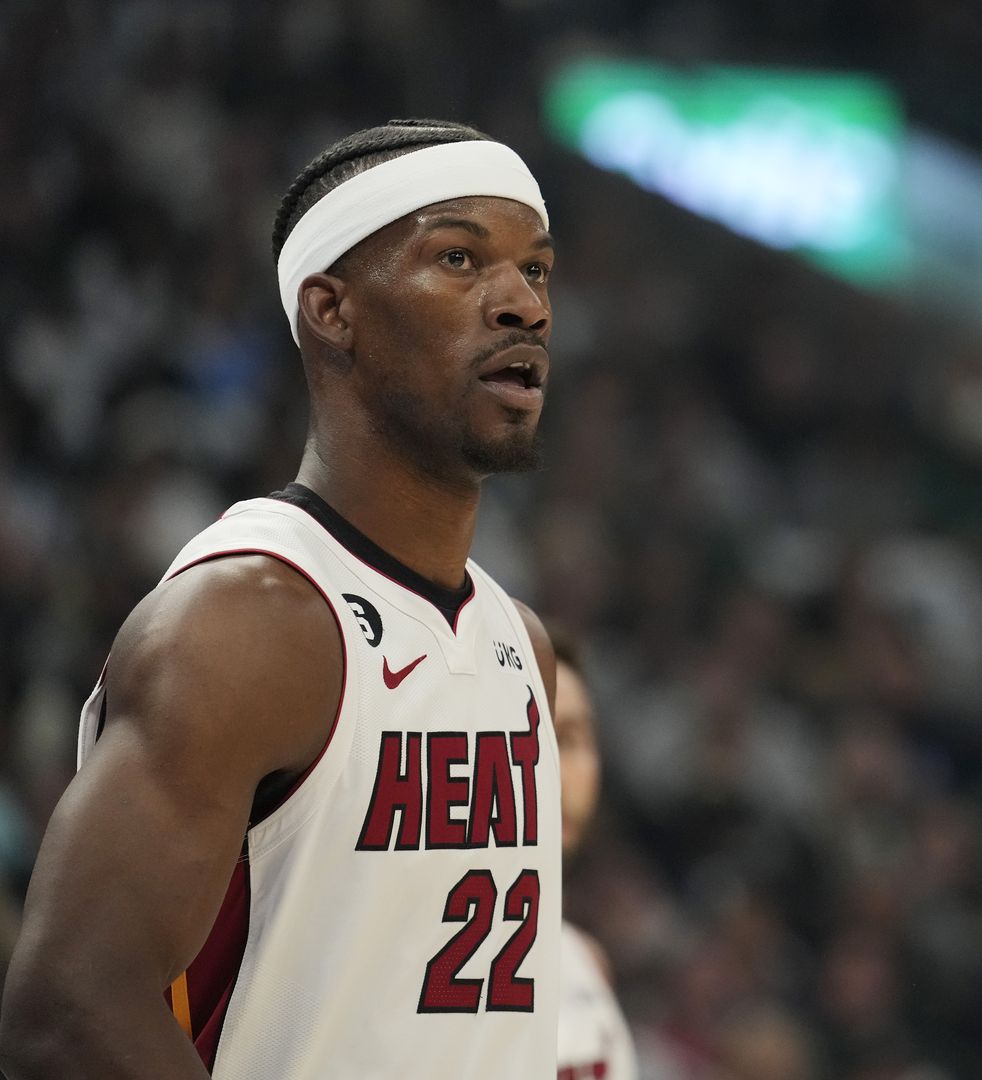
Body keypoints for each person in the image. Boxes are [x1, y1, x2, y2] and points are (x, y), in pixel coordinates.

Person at [0, 119, 565, 1078]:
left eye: (538, 270)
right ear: (332, 310)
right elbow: (68, 1010)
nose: (524, 305)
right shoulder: (245, 623)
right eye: (460, 259)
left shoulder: (523, 646)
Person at [549, 631, 643, 1080]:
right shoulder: (396, 954)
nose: (550, 769)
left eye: (569, 740)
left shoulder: (585, 960)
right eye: (525, 735)